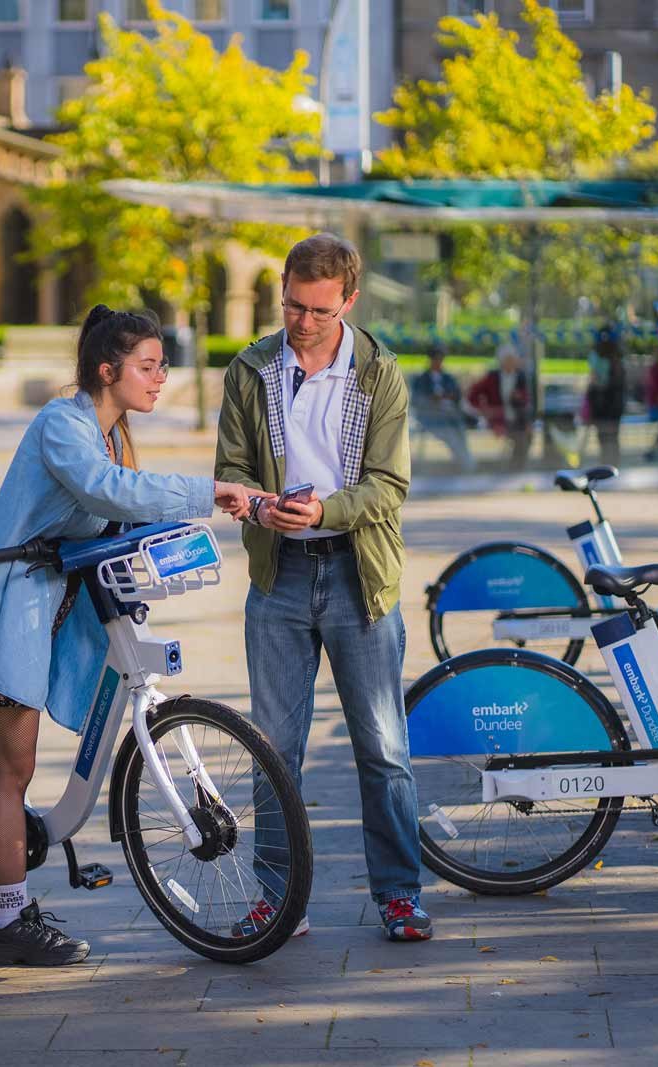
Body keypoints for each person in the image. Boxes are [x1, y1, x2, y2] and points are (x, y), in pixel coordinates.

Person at [0, 306, 262, 966]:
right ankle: (7, 921)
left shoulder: (104, 431)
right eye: (148, 366)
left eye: (162, 366)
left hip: (12, 619)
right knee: (8, 775)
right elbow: (112, 491)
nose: (161, 379)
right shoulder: (65, 425)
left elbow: (113, 508)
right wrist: (208, 491)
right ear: (108, 370)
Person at [214, 233, 431, 943]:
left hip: (358, 575)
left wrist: (326, 510)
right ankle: (280, 901)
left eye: (317, 310)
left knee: (383, 747)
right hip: (280, 576)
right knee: (274, 749)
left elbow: (389, 486)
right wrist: (260, 505)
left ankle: (400, 894)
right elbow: (233, 469)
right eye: (292, 305)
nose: (302, 322)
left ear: (348, 300)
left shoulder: (379, 373)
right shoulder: (250, 370)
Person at [409, 343, 474, 473]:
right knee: (451, 435)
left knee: (460, 432)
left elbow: (457, 396)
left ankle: (467, 463)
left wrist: (448, 397)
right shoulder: (421, 379)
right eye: (436, 359)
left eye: (440, 359)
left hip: (451, 417)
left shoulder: (448, 378)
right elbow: (416, 401)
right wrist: (432, 400)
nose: (438, 362)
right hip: (431, 418)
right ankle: (466, 465)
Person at [466, 344, 532, 471]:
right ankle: (512, 468)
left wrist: (519, 398)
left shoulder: (521, 377)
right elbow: (473, 395)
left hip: (517, 419)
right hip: (497, 419)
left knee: (525, 436)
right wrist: (484, 410)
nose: (511, 363)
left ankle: (516, 468)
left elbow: (526, 402)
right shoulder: (492, 377)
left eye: (513, 360)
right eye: (508, 360)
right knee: (519, 437)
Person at [586, 325, 628, 467]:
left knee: (607, 438)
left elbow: (594, 381)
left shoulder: (608, 357)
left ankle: (608, 466)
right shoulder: (614, 357)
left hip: (606, 404)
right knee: (610, 438)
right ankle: (610, 466)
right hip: (608, 405)